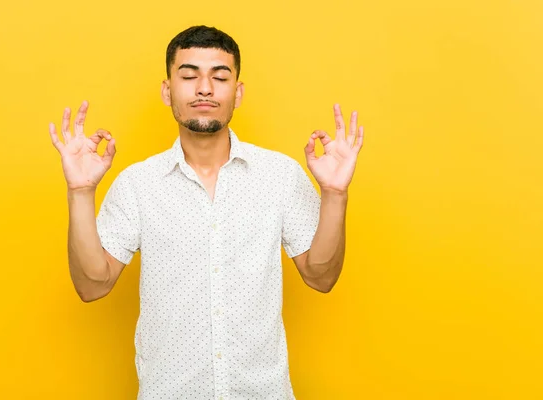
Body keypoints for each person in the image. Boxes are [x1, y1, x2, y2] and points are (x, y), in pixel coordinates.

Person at [48, 25, 364, 400]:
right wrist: (81, 192)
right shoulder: (138, 184)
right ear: (168, 91)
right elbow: (91, 285)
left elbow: (321, 276)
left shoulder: (280, 176)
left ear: (238, 92)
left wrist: (334, 193)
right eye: (188, 75)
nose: (204, 88)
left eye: (220, 76)